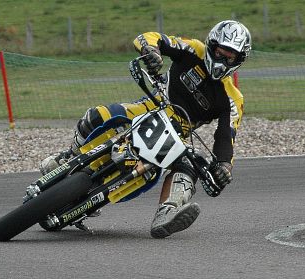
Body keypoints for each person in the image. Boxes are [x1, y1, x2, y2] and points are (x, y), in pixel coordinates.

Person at [40, 20, 252, 238]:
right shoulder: (193, 49)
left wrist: (224, 166)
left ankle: (168, 211)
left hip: (179, 135)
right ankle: (67, 158)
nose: (222, 60)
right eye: (220, 52)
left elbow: (227, 137)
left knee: (192, 163)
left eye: (230, 57)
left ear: (239, 60)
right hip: (151, 105)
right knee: (98, 114)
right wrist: (151, 50)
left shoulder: (234, 98)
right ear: (211, 45)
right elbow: (151, 37)